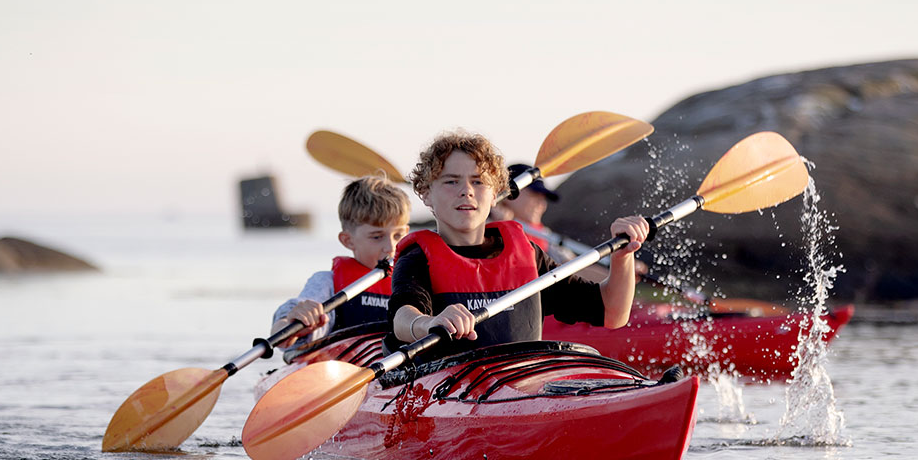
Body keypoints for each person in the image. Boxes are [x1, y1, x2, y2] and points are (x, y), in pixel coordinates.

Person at [389, 131, 648, 354]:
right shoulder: (418, 258)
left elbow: (612, 313)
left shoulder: (526, 255)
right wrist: (429, 323)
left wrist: (622, 257)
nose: (466, 190)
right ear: (425, 194)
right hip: (449, 391)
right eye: (451, 181)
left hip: (520, 384)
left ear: (495, 195)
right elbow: (402, 317)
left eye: (478, 181)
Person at [271, 174, 410, 343]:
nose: (391, 247)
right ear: (348, 240)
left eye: (398, 235)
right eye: (376, 237)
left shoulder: (414, 283)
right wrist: (293, 322)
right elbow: (282, 337)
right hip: (347, 363)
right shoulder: (327, 283)